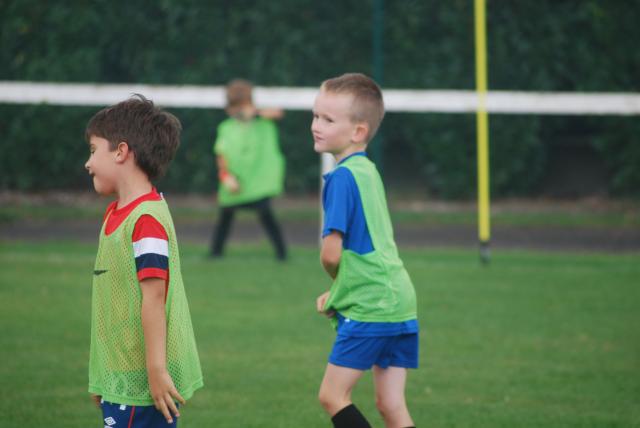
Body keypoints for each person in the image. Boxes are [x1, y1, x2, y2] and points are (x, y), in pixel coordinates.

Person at [84, 95, 203, 427]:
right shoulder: (115, 214)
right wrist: (105, 375)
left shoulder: (145, 220)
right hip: (122, 376)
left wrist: (156, 371)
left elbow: (154, 297)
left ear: (120, 152)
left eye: (94, 150)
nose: (88, 163)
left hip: (142, 383)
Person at [312, 73, 419, 428]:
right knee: (391, 405)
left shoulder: (341, 178)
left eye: (328, 119)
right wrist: (343, 290)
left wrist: (340, 291)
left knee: (332, 396)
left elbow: (331, 254)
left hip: (372, 305)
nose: (316, 125)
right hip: (400, 300)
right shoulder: (368, 171)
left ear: (358, 131)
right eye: (315, 116)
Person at [209, 79, 287, 260]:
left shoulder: (263, 122)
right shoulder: (226, 128)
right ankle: (215, 253)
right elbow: (221, 155)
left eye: (241, 107)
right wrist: (226, 176)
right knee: (224, 218)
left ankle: (282, 254)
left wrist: (256, 113)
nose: (238, 113)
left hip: (258, 184)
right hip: (235, 184)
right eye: (234, 108)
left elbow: (278, 113)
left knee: (267, 216)